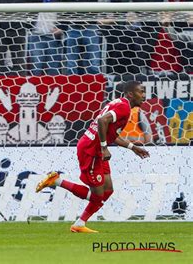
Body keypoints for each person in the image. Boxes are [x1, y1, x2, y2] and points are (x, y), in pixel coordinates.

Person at [36, 81, 150, 233]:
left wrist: (132, 147)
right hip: (91, 150)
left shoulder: (119, 103)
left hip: (96, 150)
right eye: (141, 92)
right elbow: (102, 121)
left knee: (108, 190)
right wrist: (103, 148)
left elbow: (111, 134)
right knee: (97, 196)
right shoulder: (123, 107)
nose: (144, 95)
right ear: (130, 94)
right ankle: (56, 181)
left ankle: (79, 223)